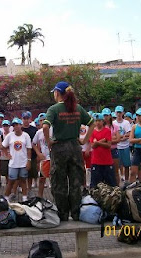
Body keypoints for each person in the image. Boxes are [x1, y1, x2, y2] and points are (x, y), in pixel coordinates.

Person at [43, 81, 94, 221]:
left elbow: (45, 127)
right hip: (75, 147)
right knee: (76, 181)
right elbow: (92, 123)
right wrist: (83, 140)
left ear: (58, 93)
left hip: (59, 148)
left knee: (59, 182)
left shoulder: (53, 109)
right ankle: (76, 213)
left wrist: (49, 142)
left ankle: (63, 214)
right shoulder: (78, 108)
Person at [2, 118, 32, 202]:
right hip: (13, 163)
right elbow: (3, 146)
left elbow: (29, 149)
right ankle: (6, 198)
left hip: (23, 162)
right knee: (11, 181)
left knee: (23, 180)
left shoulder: (26, 135)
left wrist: (29, 161)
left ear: (21, 125)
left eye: (17, 125)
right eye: (14, 125)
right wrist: (6, 154)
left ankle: (24, 198)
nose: (15, 127)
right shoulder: (10, 136)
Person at [90, 114, 116, 187]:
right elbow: (93, 145)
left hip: (107, 161)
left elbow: (108, 145)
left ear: (102, 121)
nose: (98, 123)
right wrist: (102, 141)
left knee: (111, 183)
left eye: (99, 121)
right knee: (95, 184)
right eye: (96, 121)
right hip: (96, 161)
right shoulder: (93, 132)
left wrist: (97, 142)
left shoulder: (107, 131)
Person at [32, 113, 52, 197]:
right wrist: (38, 153)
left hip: (55, 158)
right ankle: (40, 197)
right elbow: (33, 144)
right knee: (42, 179)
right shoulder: (39, 132)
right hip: (44, 159)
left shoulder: (54, 130)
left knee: (56, 180)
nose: (43, 121)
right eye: (40, 120)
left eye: (44, 119)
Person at [102, 108, 121, 185]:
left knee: (115, 171)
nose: (105, 117)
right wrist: (111, 139)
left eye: (107, 115)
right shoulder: (101, 126)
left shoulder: (115, 126)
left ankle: (117, 188)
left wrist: (107, 140)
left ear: (110, 115)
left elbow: (118, 139)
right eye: (104, 116)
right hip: (104, 150)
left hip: (113, 150)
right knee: (104, 171)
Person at [21, 111, 38, 195]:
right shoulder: (19, 129)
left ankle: (30, 189)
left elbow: (37, 142)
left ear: (30, 119)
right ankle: (23, 188)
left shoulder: (34, 129)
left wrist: (38, 153)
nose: (26, 120)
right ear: (22, 119)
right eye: (24, 118)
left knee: (31, 174)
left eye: (27, 118)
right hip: (21, 155)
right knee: (22, 174)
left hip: (32, 154)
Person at [113, 105, 131, 182]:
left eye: (120, 112)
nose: (119, 114)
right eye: (117, 112)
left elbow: (129, 133)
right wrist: (120, 137)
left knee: (126, 165)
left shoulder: (126, 123)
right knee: (117, 165)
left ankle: (126, 180)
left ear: (123, 113)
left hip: (125, 146)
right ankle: (119, 179)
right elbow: (112, 135)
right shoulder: (113, 123)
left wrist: (122, 137)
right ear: (115, 113)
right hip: (117, 146)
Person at [0, 120, 12, 186]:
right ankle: (7, 183)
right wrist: (5, 146)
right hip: (4, 157)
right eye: (4, 126)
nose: (5, 127)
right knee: (5, 172)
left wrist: (4, 146)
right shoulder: (1, 136)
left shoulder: (12, 135)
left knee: (12, 172)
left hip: (11, 156)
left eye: (7, 126)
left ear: (9, 126)